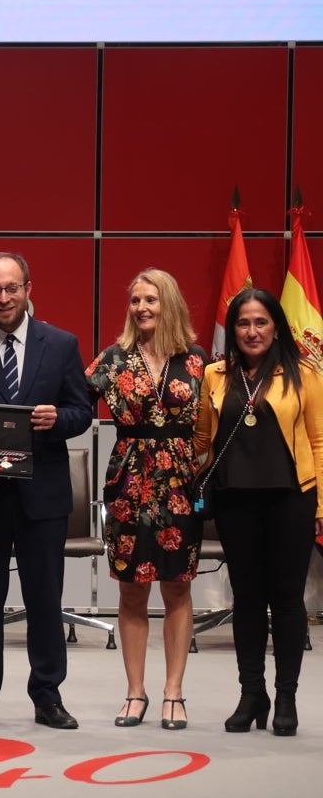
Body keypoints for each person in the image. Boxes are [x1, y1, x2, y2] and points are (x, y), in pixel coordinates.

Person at [0, 251, 93, 730]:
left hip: (42, 494)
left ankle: (47, 695)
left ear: (28, 288)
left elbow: (82, 411)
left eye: (12, 288)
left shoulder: (62, 344)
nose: (4, 298)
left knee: (45, 598)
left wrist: (57, 419)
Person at [193, 288, 323, 738]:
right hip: (234, 500)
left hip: (291, 498)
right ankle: (252, 694)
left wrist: (321, 505)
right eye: (243, 323)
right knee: (246, 599)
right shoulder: (215, 374)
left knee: (287, 599)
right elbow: (202, 440)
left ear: (276, 326)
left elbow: (319, 440)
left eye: (261, 322)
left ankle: (286, 695)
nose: (252, 331)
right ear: (232, 330)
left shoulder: (304, 372)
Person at [85, 269, 206, 731]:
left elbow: (212, 423)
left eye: (151, 300)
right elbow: (74, 402)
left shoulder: (196, 360)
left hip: (179, 482)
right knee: (131, 589)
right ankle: (135, 691)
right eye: (135, 300)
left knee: (177, 586)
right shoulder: (114, 359)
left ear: (169, 303)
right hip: (128, 482)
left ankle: (174, 693)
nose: (141, 308)